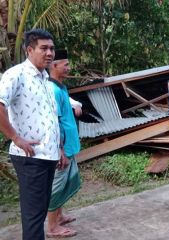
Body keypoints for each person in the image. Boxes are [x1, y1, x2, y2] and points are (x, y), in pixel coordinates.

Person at [0, 29, 62, 240]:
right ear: (29, 49)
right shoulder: (16, 75)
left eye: (52, 48)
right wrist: (16, 138)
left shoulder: (45, 78)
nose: (49, 53)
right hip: (30, 157)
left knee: (40, 210)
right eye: (43, 48)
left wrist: (59, 148)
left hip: (48, 155)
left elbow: (50, 117)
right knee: (34, 215)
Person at [46, 49, 81, 238]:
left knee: (66, 182)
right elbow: (54, 123)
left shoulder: (61, 87)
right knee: (57, 185)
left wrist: (76, 105)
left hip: (68, 145)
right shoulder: (52, 90)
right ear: (54, 65)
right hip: (62, 148)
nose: (69, 68)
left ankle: (59, 216)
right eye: (65, 64)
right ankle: (52, 227)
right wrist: (60, 150)